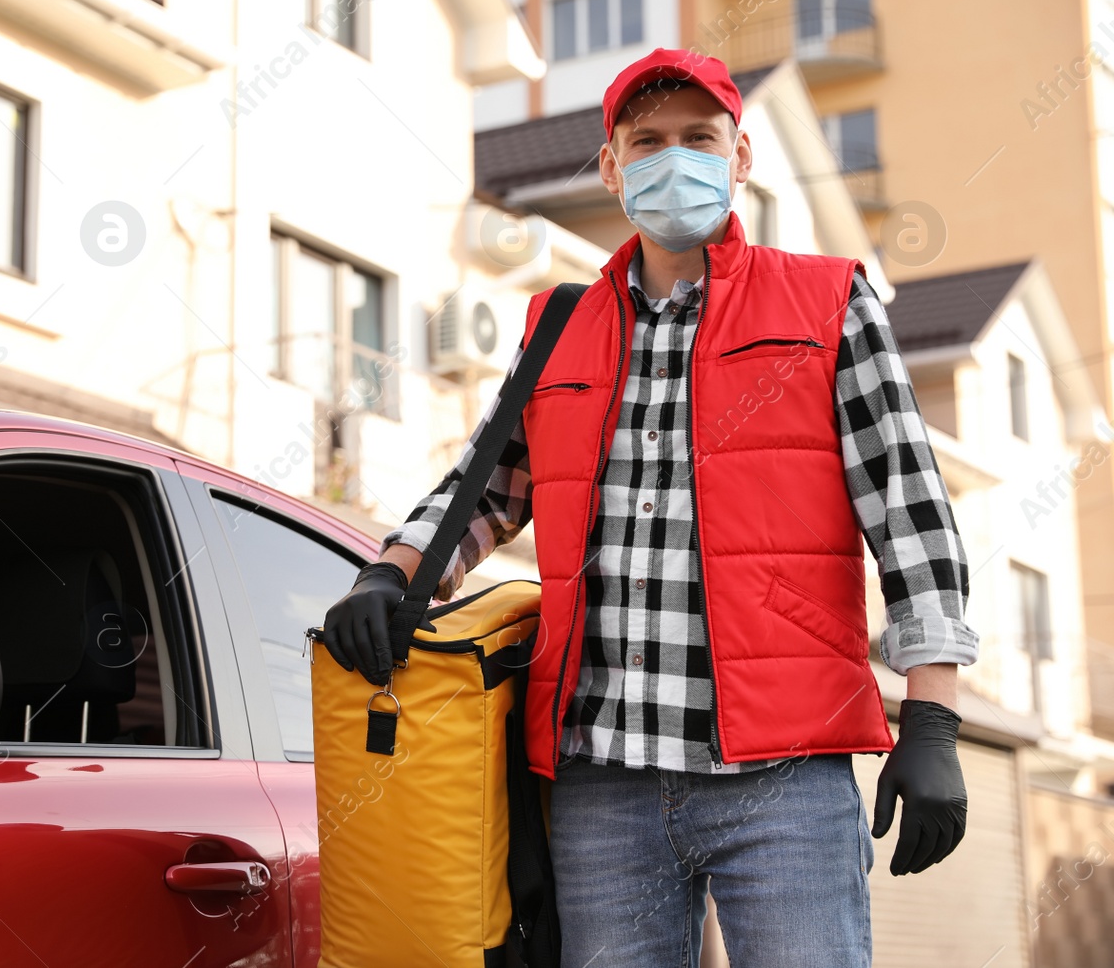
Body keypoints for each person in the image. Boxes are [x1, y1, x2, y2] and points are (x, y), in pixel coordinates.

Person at [320, 48, 977, 968]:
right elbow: (481, 490)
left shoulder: (827, 302)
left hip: (782, 776)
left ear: (741, 156)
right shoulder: (558, 324)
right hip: (603, 782)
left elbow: (911, 517)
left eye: (699, 139)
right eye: (649, 141)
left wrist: (934, 718)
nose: (677, 159)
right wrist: (387, 573)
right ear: (612, 166)